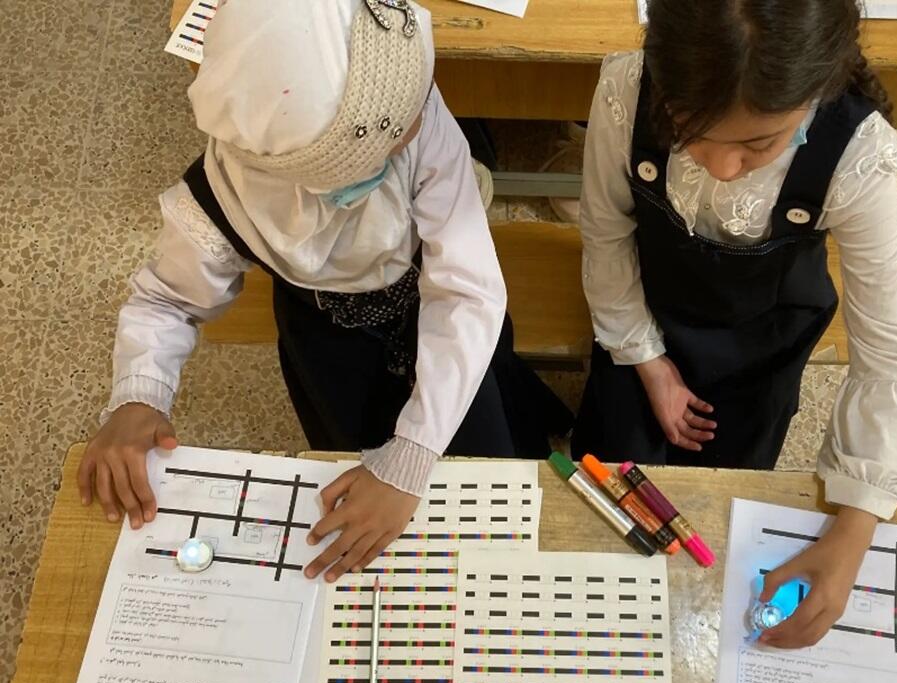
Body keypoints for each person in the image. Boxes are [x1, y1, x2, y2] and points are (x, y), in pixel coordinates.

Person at [77, 0, 567, 582]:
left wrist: (410, 456)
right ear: (331, 167)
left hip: (438, 319)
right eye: (395, 128)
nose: (422, 117)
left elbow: (466, 291)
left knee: (487, 433)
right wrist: (140, 395)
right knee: (355, 453)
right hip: (330, 344)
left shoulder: (413, 109)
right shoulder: (222, 197)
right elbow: (165, 300)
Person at [573, 0, 897, 648]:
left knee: (730, 485)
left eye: (756, 145)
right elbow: (605, 235)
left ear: (818, 89)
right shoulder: (629, 87)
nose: (718, 165)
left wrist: (850, 535)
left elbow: (890, 352)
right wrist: (648, 363)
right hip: (643, 319)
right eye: (687, 128)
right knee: (610, 475)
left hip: (760, 344)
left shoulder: (857, 153)